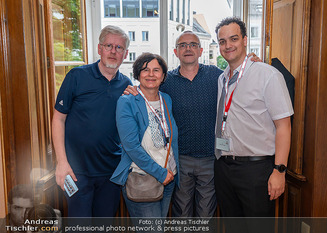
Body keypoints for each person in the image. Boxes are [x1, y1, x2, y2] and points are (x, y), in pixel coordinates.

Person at [125, 31, 259, 218]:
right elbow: (147, 88)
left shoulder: (216, 76)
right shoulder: (166, 81)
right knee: (182, 212)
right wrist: (132, 89)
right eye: (183, 45)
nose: (188, 48)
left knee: (206, 214)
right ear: (175, 51)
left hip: (210, 158)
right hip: (180, 159)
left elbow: (241, 77)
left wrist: (252, 63)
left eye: (193, 44)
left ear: (201, 50)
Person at [214, 17, 293, 218]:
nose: (228, 45)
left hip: (256, 170)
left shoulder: (268, 75)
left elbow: (284, 126)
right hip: (224, 167)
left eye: (233, 39)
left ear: (245, 40)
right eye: (222, 41)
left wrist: (279, 171)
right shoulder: (222, 78)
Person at [52, 25, 132, 217]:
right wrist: (61, 162)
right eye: (108, 46)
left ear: (126, 53)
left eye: (119, 47)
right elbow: (58, 119)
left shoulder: (127, 85)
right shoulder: (76, 76)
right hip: (76, 172)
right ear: (99, 48)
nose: (113, 51)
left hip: (111, 173)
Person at [110, 53, 179, 218]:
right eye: (145, 70)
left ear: (163, 76)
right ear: (137, 74)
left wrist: (168, 173)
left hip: (169, 176)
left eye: (156, 70)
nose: (151, 74)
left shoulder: (166, 99)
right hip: (142, 178)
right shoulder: (127, 101)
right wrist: (160, 173)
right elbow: (131, 146)